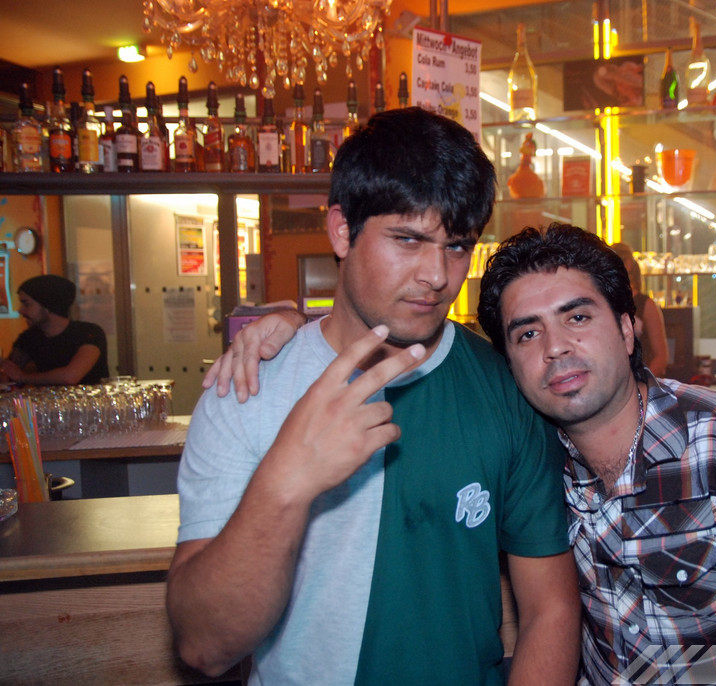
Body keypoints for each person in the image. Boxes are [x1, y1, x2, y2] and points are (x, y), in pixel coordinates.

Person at [209, 228, 716, 681]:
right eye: (526, 333)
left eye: (578, 316)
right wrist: (287, 322)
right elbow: (385, 322)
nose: (556, 349)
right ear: (508, 362)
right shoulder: (533, 452)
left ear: (629, 329)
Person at [166, 108, 581, 686]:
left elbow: (551, 610)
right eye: (408, 239)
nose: (437, 275)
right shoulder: (249, 386)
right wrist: (287, 482)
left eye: (457, 246)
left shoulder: (504, 387)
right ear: (342, 230)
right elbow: (205, 646)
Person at [0, 274, 109, 385]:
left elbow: (70, 377)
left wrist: (23, 377)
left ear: (48, 306)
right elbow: (9, 374)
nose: (21, 310)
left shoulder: (88, 333)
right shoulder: (29, 338)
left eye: (26, 304)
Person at [609, 242, 669, 377]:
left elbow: (661, 357)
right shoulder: (605, 301)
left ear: (628, 264)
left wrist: (642, 382)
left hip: (639, 377)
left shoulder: (646, 304)